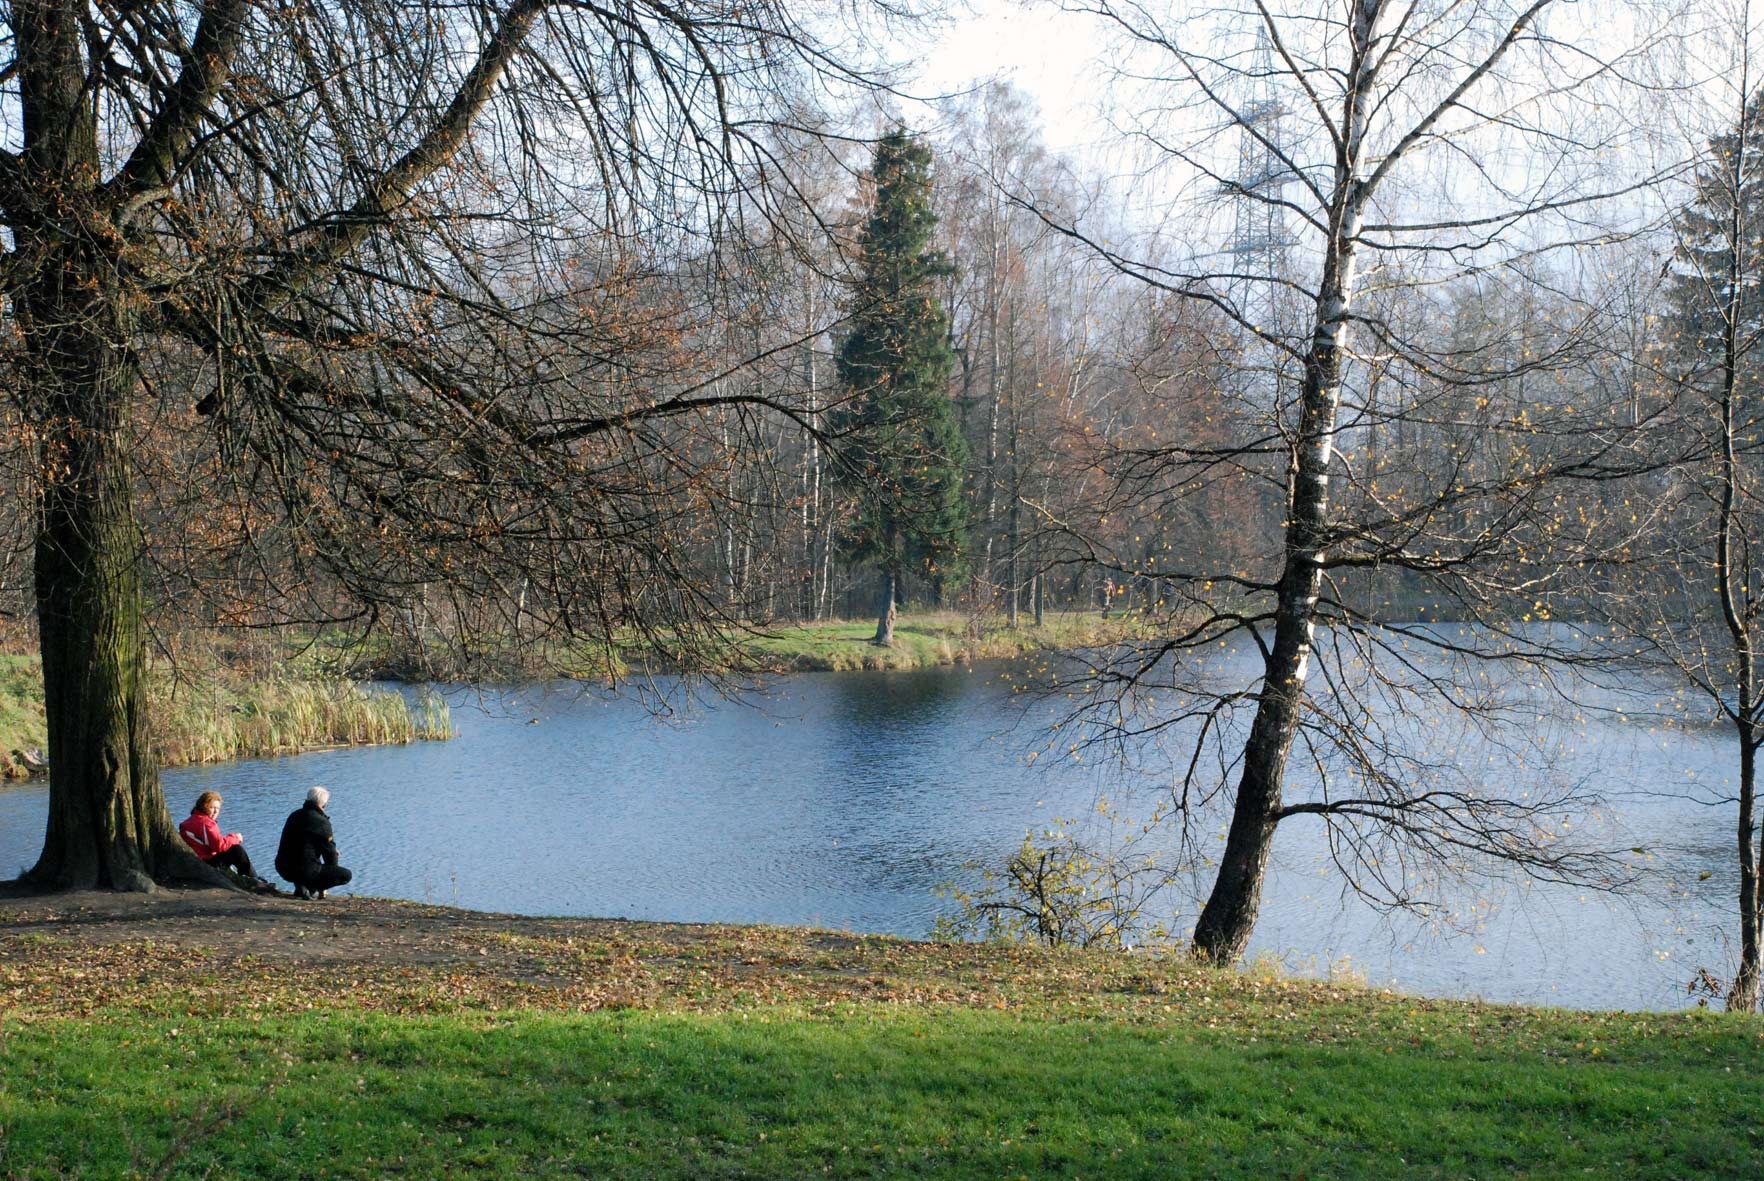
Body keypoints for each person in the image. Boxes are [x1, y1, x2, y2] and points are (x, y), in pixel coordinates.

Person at [178, 791, 274, 891]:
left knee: (233, 849)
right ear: (203, 806)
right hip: (206, 862)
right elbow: (219, 846)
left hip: (195, 860)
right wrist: (236, 838)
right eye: (212, 808)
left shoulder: (189, 821)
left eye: (217, 808)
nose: (215, 811)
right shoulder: (206, 823)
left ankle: (251, 879)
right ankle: (253, 881)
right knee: (236, 850)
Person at [275, 785, 354, 900]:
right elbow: (330, 853)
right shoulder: (322, 822)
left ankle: (301, 886)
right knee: (346, 875)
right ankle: (312, 888)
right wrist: (329, 876)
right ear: (324, 805)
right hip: (305, 871)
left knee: (302, 856)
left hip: (283, 867)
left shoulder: (294, 815)